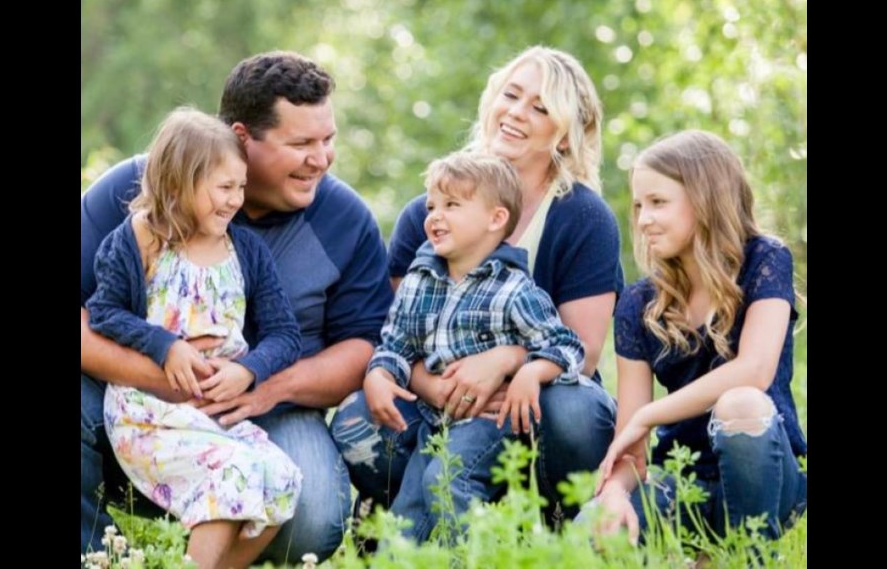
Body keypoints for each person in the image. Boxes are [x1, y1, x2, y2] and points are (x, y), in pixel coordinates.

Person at [81, 51, 395, 563]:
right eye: (301, 144)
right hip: (136, 398)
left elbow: (363, 346)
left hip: (269, 409)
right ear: (243, 138)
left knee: (313, 520)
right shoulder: (141, 194)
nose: (322, 158)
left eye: (328, 139)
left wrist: (263, 385)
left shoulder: (345, 220)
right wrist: (159, 369)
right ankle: (96, 555)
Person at [332, 46, 623, 520]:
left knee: (576, 411)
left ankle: (552, 518)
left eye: (540, 107)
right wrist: (435, 388)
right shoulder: (427, 215)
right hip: (441, 400)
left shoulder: (583, 218)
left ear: (566, 137)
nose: (516, 112)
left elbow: (583, 355)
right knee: (357, 417)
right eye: (511, 95)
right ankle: (404, 512)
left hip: (537, 401)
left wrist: (504, 363)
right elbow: (400, 331)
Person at [87, 108, 304, 569]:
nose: (236, 200)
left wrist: (248, 369)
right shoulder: (139, 241)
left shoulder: (245, 250)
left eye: (241, 186)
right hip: (149, 413)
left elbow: (286, 335)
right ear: (178, 185)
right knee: (233, 474)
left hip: (215, 413)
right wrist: (166, 346)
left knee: (282, 477)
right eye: (225, 188)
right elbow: (103, 313)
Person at [586, 130, 807, 544]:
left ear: (706, 199)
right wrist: (615, 491)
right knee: (591, 530)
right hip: (686, 484)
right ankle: (694, 545)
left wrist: (649, 415)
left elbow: (754, 371)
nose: (644, 218)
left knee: (739, 401)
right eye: (638, 205)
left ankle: (746, 552)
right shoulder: (638, 303)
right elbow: (630, 445)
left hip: (768, 478)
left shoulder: (764, 260)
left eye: (658, 202)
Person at [363, 151, 585, 541]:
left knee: (447, 482)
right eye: (432, 205)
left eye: (452, 205)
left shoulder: (514, 288)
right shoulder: (420, 280)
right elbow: (395, 343)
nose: (434, 215)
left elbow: (566, 346)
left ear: (496, 219)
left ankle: (475, 556)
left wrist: (531, 370)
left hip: (490, 421)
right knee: (406, 515)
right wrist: (379, 374)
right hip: (434, 420)